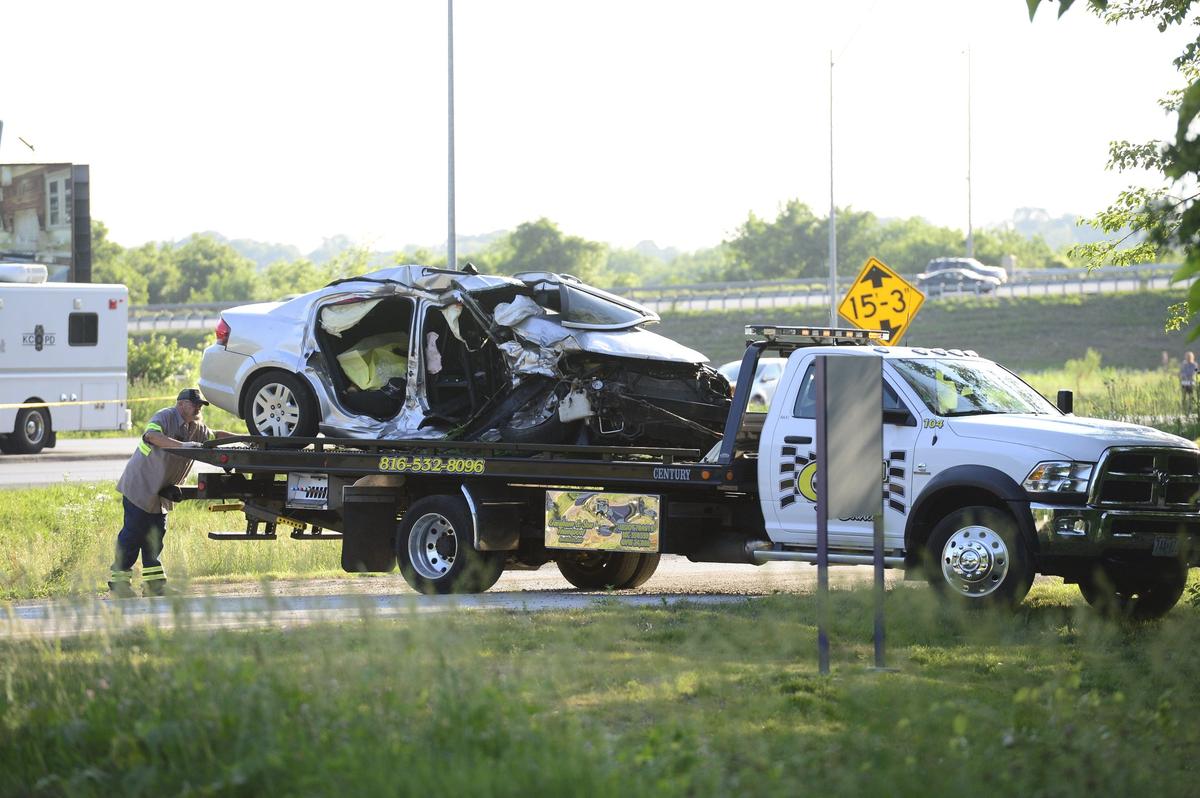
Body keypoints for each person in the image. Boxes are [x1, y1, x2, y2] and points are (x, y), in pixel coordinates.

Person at [108, 388, 234, 598]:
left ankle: (154, 585)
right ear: (181, 404)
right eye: (195, 405)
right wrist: (183, 445)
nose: (198, 409)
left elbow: (215, 436)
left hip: (159, 493)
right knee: (132, 535)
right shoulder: (165, 416)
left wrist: (246, 438)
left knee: (155, 537)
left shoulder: (196, 428)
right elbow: (152, 435)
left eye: (200, 406)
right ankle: (119, 585)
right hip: (140, 487)